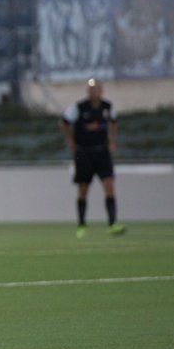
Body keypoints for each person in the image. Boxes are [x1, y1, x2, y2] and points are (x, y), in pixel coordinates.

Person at [59, 79, 125, 237]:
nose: (93, 91)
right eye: (90, 88)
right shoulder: (79, 107)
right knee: (83, 190)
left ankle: (112, 224)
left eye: (96, 88)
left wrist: (112, 140)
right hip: (84, 153)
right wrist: (70, 142)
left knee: (109, 185)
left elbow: (113, 123)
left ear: (101, 90)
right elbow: (63, 123)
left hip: (102, 152)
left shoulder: (108, 107)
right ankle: (81, 225)